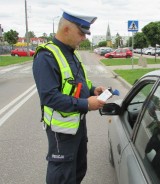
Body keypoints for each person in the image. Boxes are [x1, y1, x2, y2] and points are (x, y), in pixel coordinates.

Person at [32, 9, 106, 184]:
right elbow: (49, 98)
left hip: (78, 125)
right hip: (61, 130)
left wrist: (93, 91)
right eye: (81, 33)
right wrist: (86, 104)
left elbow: (77, 85)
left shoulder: (72, 53)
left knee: (79, 169)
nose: (85, 38)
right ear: (66, 29)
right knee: (62, 176)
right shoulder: (46, 56)